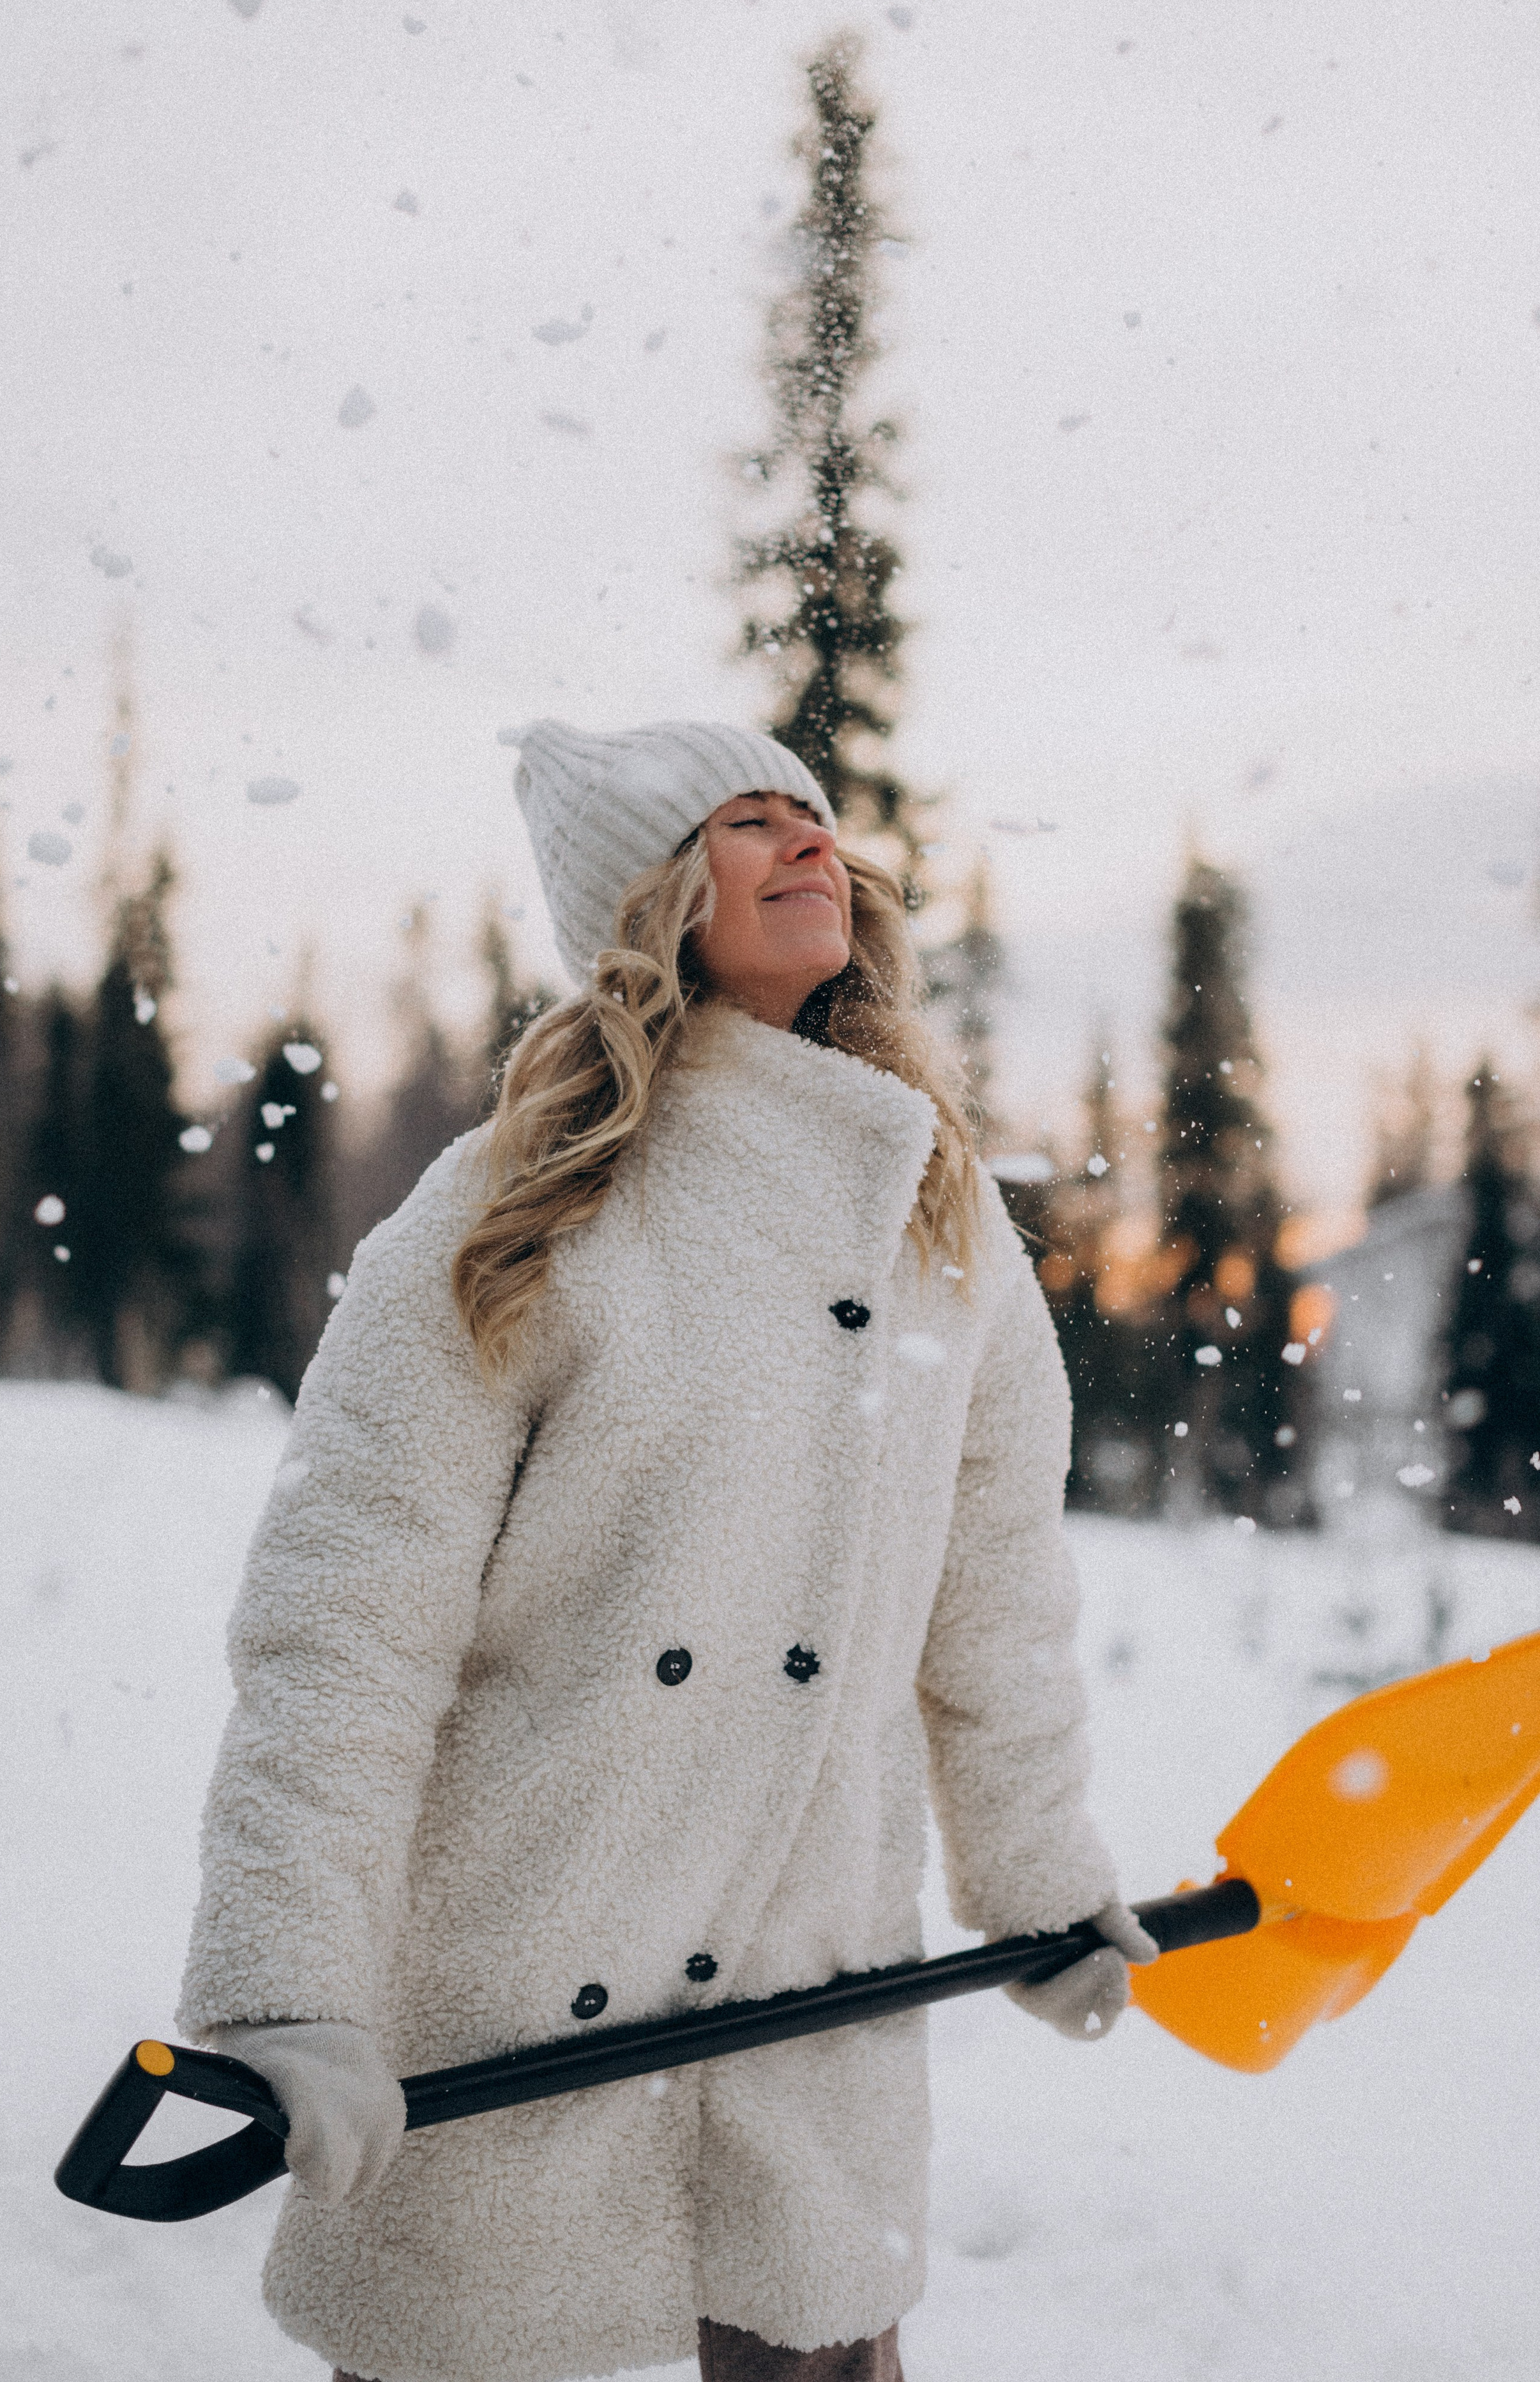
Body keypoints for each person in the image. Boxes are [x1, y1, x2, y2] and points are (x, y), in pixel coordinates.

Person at [178, 720, 1155, 2382]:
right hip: (521, 1963)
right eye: (749, 822)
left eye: (816, 819)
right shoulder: (515, 1208)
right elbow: (346, 1620)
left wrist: (1042, 1880)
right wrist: (290, 1987)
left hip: (812, 1979)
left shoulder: (940, 1213)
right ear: (651, 897)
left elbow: (997, 1599)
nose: (811, 845)